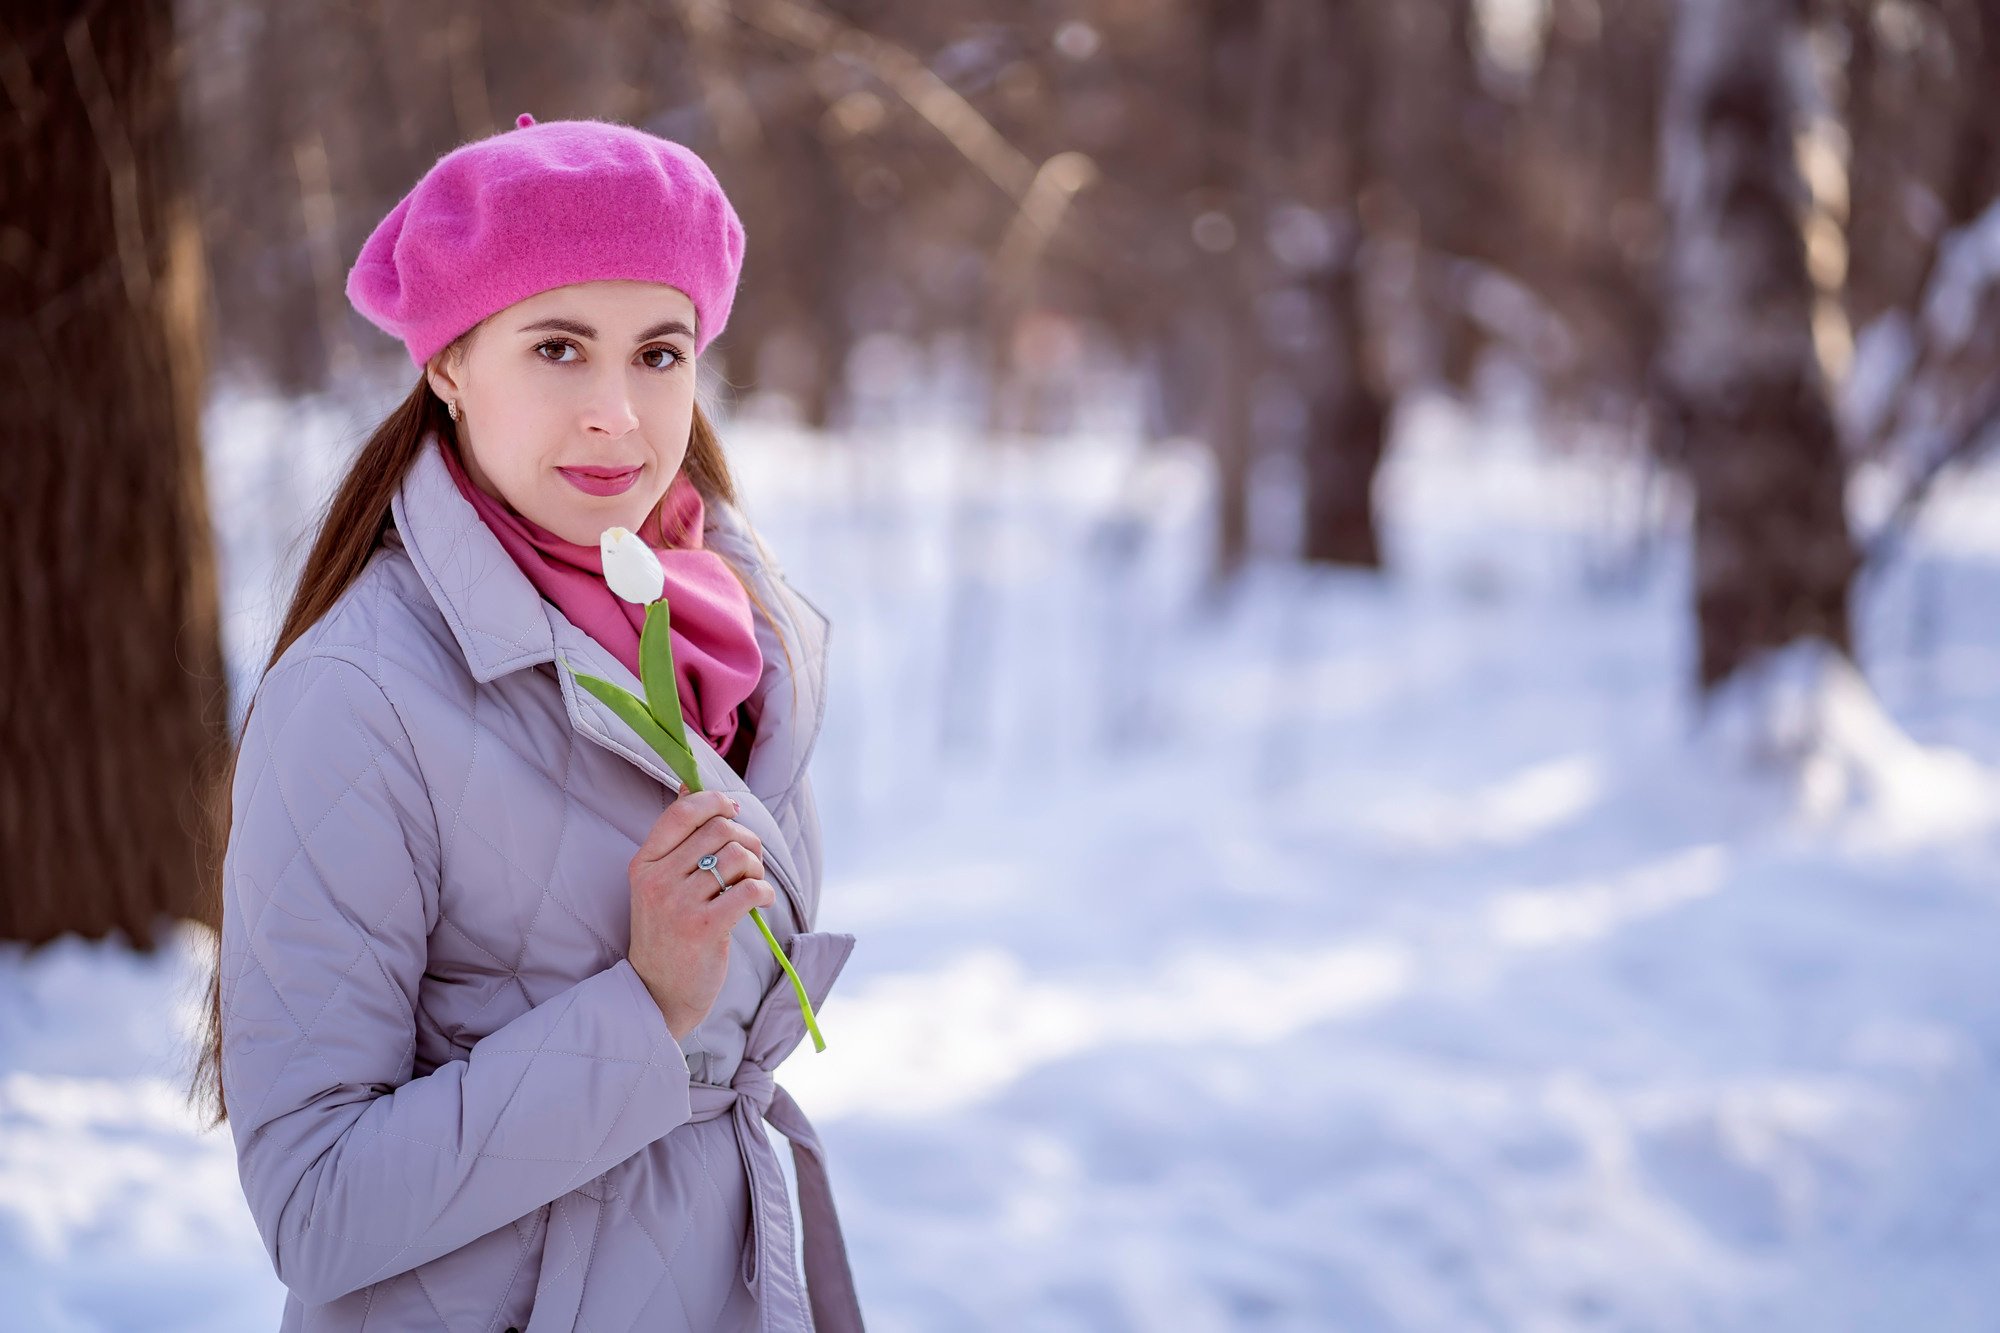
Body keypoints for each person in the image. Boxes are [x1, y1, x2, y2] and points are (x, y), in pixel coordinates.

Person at [195, 115, 861, 1333]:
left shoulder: (734, 632)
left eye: (658, 353)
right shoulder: (358, 695)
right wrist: (641, 1010)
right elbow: (315, 1206)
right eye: (558, 347)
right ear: (449, 365)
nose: (616, 412)